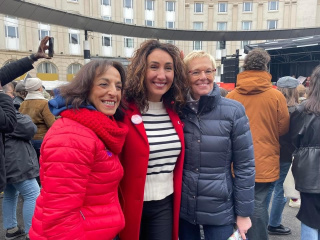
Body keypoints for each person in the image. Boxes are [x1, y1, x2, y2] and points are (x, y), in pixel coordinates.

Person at [29, 60, 129, 240]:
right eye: (103, 84)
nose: (113, 92)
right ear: (85, 88)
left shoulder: (97, 128)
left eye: (118, 86)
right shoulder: (71, 137)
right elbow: (59, 219)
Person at [178, 51, 255, 240]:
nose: (203, 77)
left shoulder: (233, 111)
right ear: (184, 76)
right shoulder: (176, 109)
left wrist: (244, 213)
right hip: (184, 208)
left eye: (208, 71)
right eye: (195, 72)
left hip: (220, 208)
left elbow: (245, 166)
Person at [119, 39, 188, 240]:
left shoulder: (176, 111)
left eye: (168, 68)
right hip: (128, 203)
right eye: (154, 67)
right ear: (141, 70)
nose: (161, 75)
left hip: (164, 204)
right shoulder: (121, 109)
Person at [226, 48, 290, 240]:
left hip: (236, 161)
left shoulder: (232, 96)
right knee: (258, 204)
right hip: (265, 158)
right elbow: (283, 128)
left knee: (239, 204)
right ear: (265, 66)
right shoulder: (276, 96)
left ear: (244, 67)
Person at [0, 36, 51, 194]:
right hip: (30, 148)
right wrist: (3, 94)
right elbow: (9, 122)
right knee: (32, 193)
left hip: (17, 153)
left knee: (11, 195)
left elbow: (6, 72)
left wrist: (33, 57)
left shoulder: (24, 102)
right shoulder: (43, 104)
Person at [2, 87, 40, 240]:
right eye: (12, 93)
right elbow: (29, 128)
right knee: (33, 194)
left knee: (11, 194)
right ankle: (32, 233)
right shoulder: (6, 110)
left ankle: (11, 229)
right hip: (16, 160)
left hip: (5, 160)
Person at [266, 76, 299, 236]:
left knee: (266, 189)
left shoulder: (270, 106)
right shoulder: (297, 110)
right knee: (280, 189)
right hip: (286, 154)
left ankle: (262, 221)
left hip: (269, 151)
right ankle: (274, 223)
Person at [290, 65, 320, 240]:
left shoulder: (302, 110)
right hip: (308, 172)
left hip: (308, 173)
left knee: (309, 219)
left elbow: (294, 139)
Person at [19, 77, 56, 166]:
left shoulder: (23, 104)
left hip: (27, 139)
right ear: (39, 88)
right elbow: (51, 124)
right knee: (43, 165)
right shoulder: (44, 103)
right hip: (42, 139)